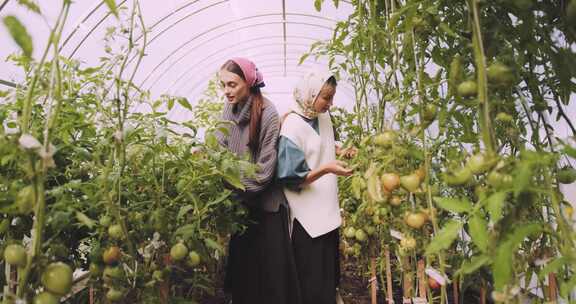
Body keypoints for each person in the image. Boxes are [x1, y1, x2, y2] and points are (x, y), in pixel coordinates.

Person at [216, 57, 301, 304]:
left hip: (267, 208)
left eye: (232, 84)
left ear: (249, 82)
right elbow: (220, 150)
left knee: (270, 280)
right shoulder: (227, 110)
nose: (226, 91)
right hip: (241, 207)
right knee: (244, 278)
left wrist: (229, 180)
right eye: (223, 85)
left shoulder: (268, 113)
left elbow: (265, 172)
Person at [277, 70, 354, 304]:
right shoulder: (291, 127)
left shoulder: (322, 116)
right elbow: (292, 176)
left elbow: (322, 143)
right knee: (310, 275)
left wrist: (343, 151)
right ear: (310, 95)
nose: (330, 104)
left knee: (326, 274)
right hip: (306, 216)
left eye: (332, 98)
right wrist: (328, 168)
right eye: (326, 98)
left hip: (327, 209)